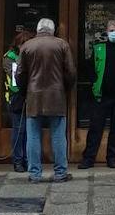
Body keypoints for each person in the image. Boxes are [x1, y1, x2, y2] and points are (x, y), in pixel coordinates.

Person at [17, 18, 76, 183]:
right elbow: (71, 72)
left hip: (33, 95)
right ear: (52, 29)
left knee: (33, 136)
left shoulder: (27, 46)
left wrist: (25, 91)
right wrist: (65, 89)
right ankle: (60, 172)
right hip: (56, 95)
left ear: (38, 29)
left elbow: (20, 74)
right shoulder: (62, 44)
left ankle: (35, 173)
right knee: (58, 135)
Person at [80, 18, 115, 169]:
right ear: (106, 31)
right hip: (102, 96)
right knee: (95, 128)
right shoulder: (99, 48)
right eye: (111, 30)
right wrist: (94, 84)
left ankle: (112, 158)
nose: (114, 33)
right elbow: (90, 68)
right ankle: (88, 159)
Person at [2, 29, 33, 172]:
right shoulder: (10, 57)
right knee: (19, 130)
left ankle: (28, 159)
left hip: (31, 96)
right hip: (17, 97)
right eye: (23, 44)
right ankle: (18, 160)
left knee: (30, 130)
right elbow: (15, 80)